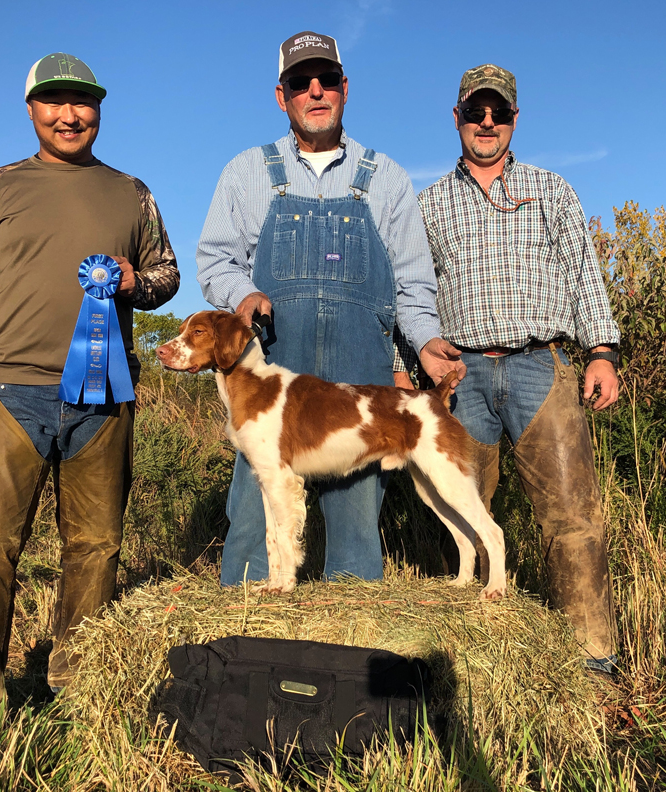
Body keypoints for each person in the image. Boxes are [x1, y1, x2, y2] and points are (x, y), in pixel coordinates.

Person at [0, 52, 180, 721]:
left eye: (83, 102)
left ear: (98, 110)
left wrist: (137, 284)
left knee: (95, 550)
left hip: (104, 400)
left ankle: (80, 696)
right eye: (55, 102)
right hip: (10, 394)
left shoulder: (132, 191)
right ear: (31, 110)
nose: (70, 115)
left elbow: (166, 273)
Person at [197, 31, 456, 587]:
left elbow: (413, 280)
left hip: (360, 371)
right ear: (281, 94)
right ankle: (245, 631)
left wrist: (427, 343)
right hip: (276, 372)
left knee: (358, 521)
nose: (315, 91)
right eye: (300, 82)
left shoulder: (384, 177)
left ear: (345, 88)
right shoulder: (247, 171)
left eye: (327, 80)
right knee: (252, 511)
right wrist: (243, 293)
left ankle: (352, 643)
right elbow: (214, 261)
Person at [411, 63, 620, 671]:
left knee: (573, 518)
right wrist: (408, 366)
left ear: (513, 120)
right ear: (456, 118)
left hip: (541, 368)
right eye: (474, 111)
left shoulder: (551, 190)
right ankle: (474, 666)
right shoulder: (429, 204)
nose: (485, 122)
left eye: (496, 112)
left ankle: (595, 665)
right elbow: (415, 294)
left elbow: (583, 272)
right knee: (460, 513)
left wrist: (601, 351)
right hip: (461, 377)